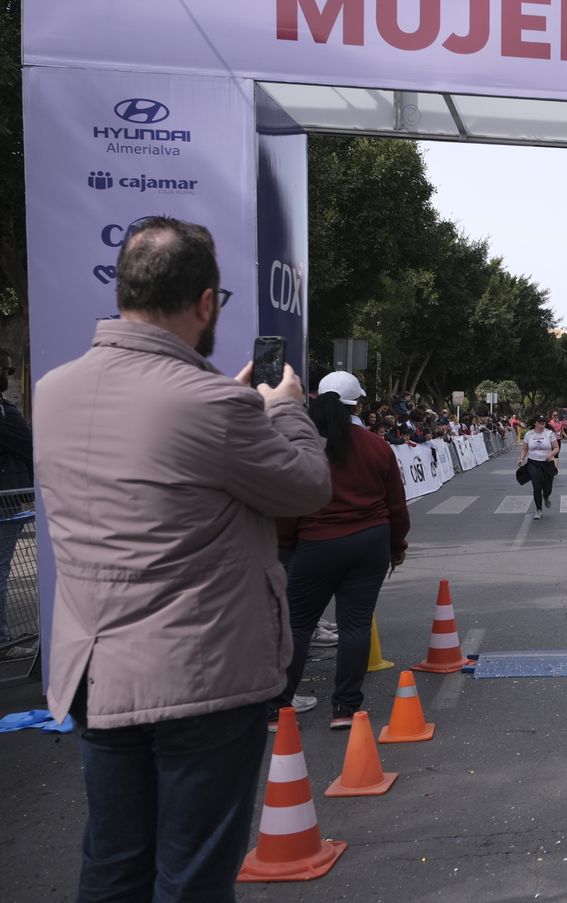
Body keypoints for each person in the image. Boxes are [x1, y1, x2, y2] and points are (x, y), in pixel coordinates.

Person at [33, 217, 331, 900]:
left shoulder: (53, 390)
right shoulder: (215, 404)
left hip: (96, 674)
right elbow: (308, 486)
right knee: (192, 876)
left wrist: (231, 403)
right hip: (200, 677)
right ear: (205, 303)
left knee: (113, 865)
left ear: (123, 290)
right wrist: (285, 410)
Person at [273, 372, 411, 730]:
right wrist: (396, 546)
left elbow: (287, 504)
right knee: (356, 625)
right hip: (370, 542)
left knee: (297, 625)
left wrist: (286, 548)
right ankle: (345, 708)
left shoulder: (300, 446)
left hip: (316, 544)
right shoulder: (376, 446)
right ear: (358, 406)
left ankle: (279, 707)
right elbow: (397, 505)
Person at [0, 348, 31, 655]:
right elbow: (31, 447)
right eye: (7, 371)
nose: (8, 376)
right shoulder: (5, 413)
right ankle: (2, 640)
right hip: (5, 506)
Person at [519, 412, 560, 518]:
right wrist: (521, 458)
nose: (542, 424)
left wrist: (550, 454)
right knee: (536, 486)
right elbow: (524, 449)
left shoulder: (550, 434)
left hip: (547, 463)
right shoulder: (529, 434)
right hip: (533, 462)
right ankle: (539, 510)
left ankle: (546, 496)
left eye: (543, 422)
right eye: (539, 422)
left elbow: (556, 448)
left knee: (548, 487)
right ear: (535, 423)